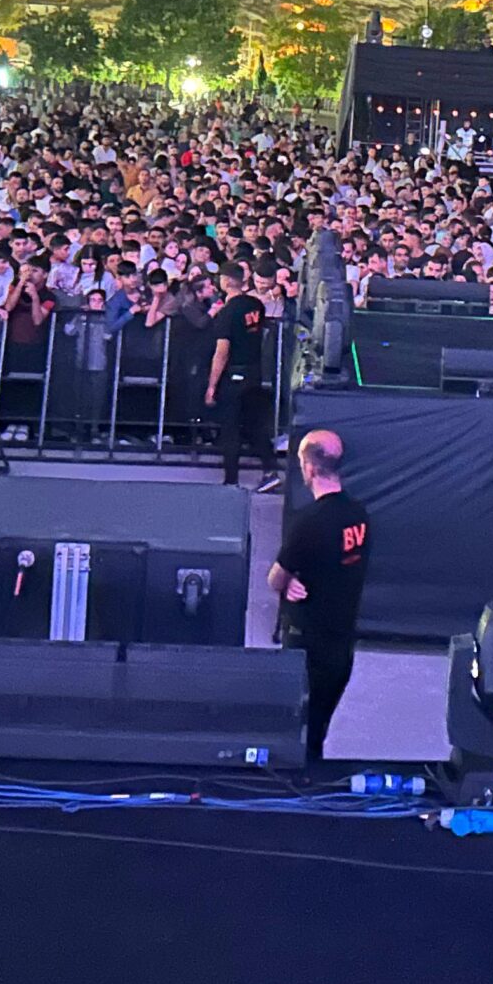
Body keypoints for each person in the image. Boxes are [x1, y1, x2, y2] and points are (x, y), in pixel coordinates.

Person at [265, 429, 370, 764]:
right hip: (341, 642)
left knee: (297, 730)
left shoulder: (309, 523)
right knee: (317, 732)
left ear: (308, 469)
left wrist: (288, 579)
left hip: (307, 643)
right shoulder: (358, 516)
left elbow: (274, 579)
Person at [204, 263, 276, 490]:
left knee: (231, 427)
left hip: (234, 373)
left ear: (225, 281)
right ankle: (270, 469)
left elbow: (222, 351)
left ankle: (231, 479)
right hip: (254, 371)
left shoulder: (228, 313)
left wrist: (211, 385)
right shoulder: (256, 305)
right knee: (255, 424)